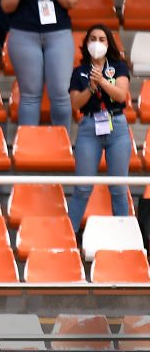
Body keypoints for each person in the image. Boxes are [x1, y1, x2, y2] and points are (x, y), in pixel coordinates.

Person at [1, 0, 79, 128]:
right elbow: (6, 5)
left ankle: (61, 144)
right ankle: (28, 146)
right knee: (30, 95)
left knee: (61, 93)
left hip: (58, 34)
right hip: (24, 34)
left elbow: (70, 1)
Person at [67, 24, 131, 233]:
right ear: (87, 43)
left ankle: (123, 238)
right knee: (83, 188)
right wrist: (91, 87)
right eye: (93, 38)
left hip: (118, 126)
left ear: (108, 43)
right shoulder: (79, 72)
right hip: (89, 127)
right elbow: (76, 103)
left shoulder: (119, 66)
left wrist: (101, 80)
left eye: (102, 39)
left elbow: (121, 95)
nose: (97, 43)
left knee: (119, 188)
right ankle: (68, 236)